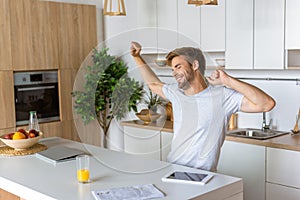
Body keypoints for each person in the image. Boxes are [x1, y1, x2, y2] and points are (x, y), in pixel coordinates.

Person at [130, 41, 275, 172]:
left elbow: (266, 104)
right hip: (173, 168)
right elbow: (154, 84)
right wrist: (137, 57)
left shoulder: (222, 96)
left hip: (203, 174)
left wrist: (228, 81)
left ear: (194, 65)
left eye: (178, 67)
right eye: (172, 69)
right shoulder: (176, 92)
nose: (174, 73)